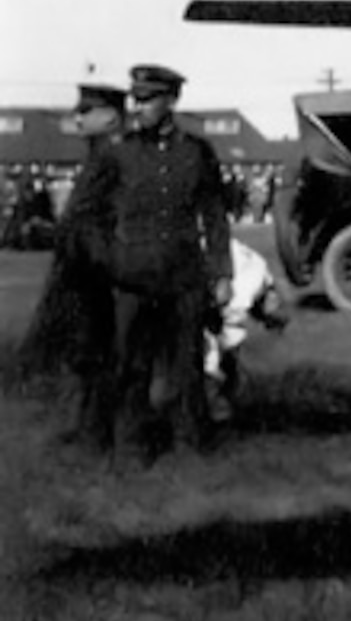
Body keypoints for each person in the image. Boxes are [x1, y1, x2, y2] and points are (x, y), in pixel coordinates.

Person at [66, 64, 233, 459]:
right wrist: (110, 260)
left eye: (147, 99)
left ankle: (191, 445)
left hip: (183, 278)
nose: (137, 107)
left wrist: (221, 273)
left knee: (186, 366)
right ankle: (132, 447)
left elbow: (214, 216)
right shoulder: (118, 153)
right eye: (134, 99)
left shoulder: (197, 152)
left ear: (171, 100)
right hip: (131, 281)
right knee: (130, 366)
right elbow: (85, 216)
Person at [17, 83, 126, 442]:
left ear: (111, 117)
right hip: (80, 266)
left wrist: (62, 237)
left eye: (86, 111)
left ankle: (100, 432)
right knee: (85, 352)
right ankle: (89, 427)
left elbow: (104, 219)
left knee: (98, 351)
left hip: (97, 269)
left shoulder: (113, 156)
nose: (77, 117)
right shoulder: (97, 154)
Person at [203, 236, 287, 423]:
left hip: (216, 263)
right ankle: (215, 404)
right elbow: (226, 324)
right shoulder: (250, 284)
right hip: (214, 282)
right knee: (213, 355)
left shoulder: (258, 269)